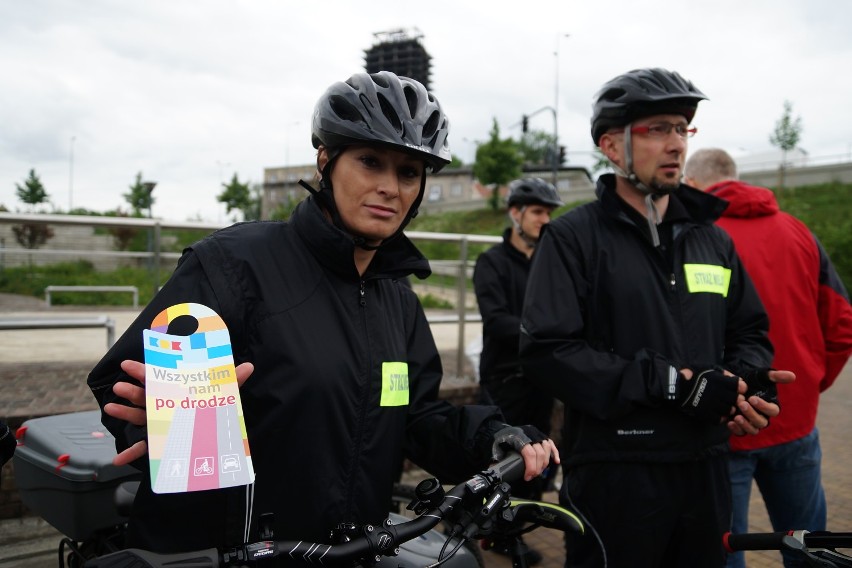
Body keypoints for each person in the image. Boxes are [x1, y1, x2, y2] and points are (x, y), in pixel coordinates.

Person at [87, 71, 559, 554]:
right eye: (370, 162)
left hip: (350, 551)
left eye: (409, 172)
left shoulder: (398, 299)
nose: (390, 188)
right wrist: (158, 423)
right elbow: (124, 382)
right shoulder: (235, 264)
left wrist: (489, 437)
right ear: (326, 161)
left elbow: (417, 416)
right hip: (229, 551)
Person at [518, 67, 795, 568]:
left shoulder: (712, 239)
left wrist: (743, 384)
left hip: (705, 467)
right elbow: (547, 352)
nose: (675, 144)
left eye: (682, 129)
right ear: (612, 145)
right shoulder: (572, 238)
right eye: (656, 129)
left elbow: (749, 330)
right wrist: (672, 383)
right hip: (616, 474)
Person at [684, 147, 852, 568]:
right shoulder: (798, 231)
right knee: (809, 546)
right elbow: (843, 323)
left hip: (726, 422)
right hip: (795, 421)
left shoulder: (696, 236)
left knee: (724, 548)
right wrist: (811, 382)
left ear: (692, 184)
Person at [472, 177, 564, 564]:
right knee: (500, 462)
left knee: (538, 464)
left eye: (549, 213)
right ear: (516, 213)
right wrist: (545, 335)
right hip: (504, 381)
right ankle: (489, 532)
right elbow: (496, 321)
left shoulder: (552, 263)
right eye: (539, 212)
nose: (545, 220)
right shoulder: (491, 263)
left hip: (541, 381)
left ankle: (514, 531)